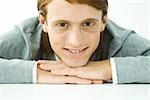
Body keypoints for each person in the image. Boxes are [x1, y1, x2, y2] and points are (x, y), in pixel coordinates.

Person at [0, 0, 150, 84]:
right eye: (62, 24)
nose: (76, 42)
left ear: (104, 21)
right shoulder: (26, 37)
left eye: (88, 24)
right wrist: (37, 73)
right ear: (43, 22)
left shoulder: (119, 40)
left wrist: (106, 69)